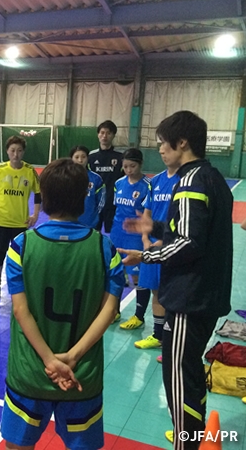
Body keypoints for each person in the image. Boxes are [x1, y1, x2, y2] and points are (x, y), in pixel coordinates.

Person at [119, 111, 233, 450]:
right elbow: (193, 230)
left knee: (179, 375)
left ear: (181, 143)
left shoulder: (190, 181)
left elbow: (189, 243)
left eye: (162, 145)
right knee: (187, 372)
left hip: (189, 297)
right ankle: (192, 436)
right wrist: (154, 229)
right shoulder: (211, 177)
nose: (161, 151)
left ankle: (188, 442)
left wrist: (146, 256)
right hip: (203, 294)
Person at [1, 158, 124, 450]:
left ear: (44, 196)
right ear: (85, 197)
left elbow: (21, 311)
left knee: (18, 446)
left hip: (30, 371)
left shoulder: (21, 246)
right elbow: (110, 310)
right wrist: (71, 357)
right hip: (83, 375)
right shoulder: (105, 248)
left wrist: (50, 360)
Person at [0, 135, 41, 299]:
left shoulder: (30, 171)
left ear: (23, 152)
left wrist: (35, 215)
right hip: (1, 221)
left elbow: (38, 194)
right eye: (12, 150)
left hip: (21, 222)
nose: (15, 154)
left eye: (19, 151)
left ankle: (21, 287)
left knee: (21, 257)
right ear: (7, 151)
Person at [132, 158, 179, 353]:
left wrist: (163, 240)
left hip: (172, 245)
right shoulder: (156, 181)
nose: (162, 151)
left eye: (166, 145)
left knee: (172, 293)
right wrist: (145, 238)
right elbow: (147, 213)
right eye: (160, 146)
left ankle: (172, 337)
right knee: (155, 291)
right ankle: (158, 335)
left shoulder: (185, 181)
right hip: (152, 245)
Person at [110, 148, 151, 328]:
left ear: (140, 164)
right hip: (117, 233)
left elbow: (150, 215)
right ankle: (115, 311)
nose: (128, 169)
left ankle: (139, 316)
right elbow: (116, 209)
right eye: (125, 166)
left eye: (132, 166)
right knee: (117, 272)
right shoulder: (119, 183)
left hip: (136, 236)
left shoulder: (147, 186)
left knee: (137, 277)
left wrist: (145, 237)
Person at [88, 120, 124, 233]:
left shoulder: (121, 157)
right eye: (102, 132)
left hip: (113, 204)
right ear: (98, 134)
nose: (105, 136)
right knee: (93, 234)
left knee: (114, 234)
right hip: (95, 203)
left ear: (113, 135)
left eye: (108, 133)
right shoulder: (91, 157)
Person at [70, 145, 105, 229]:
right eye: (76, 157)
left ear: (88, 158)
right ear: (71, 158)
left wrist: (94, 215)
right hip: (69, 222)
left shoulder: (96, 178)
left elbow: (101, 200)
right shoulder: (65, 177)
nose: (80, 160)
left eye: (83, 157)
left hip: (90, 223)